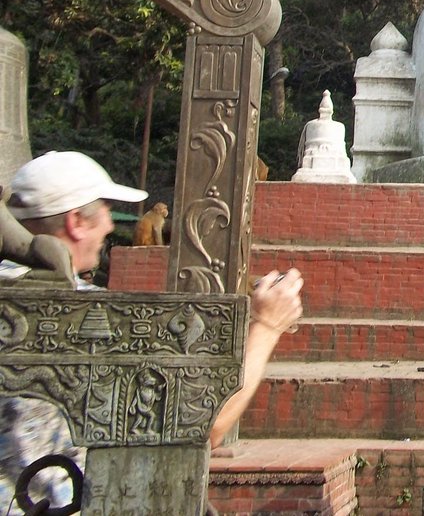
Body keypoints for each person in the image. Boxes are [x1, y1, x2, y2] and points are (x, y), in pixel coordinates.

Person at [0, 150, 303, 511]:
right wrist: (268, 326)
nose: (111, 226)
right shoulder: (87, 315)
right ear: (75, 222)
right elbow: (198, 425)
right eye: (106, 213)